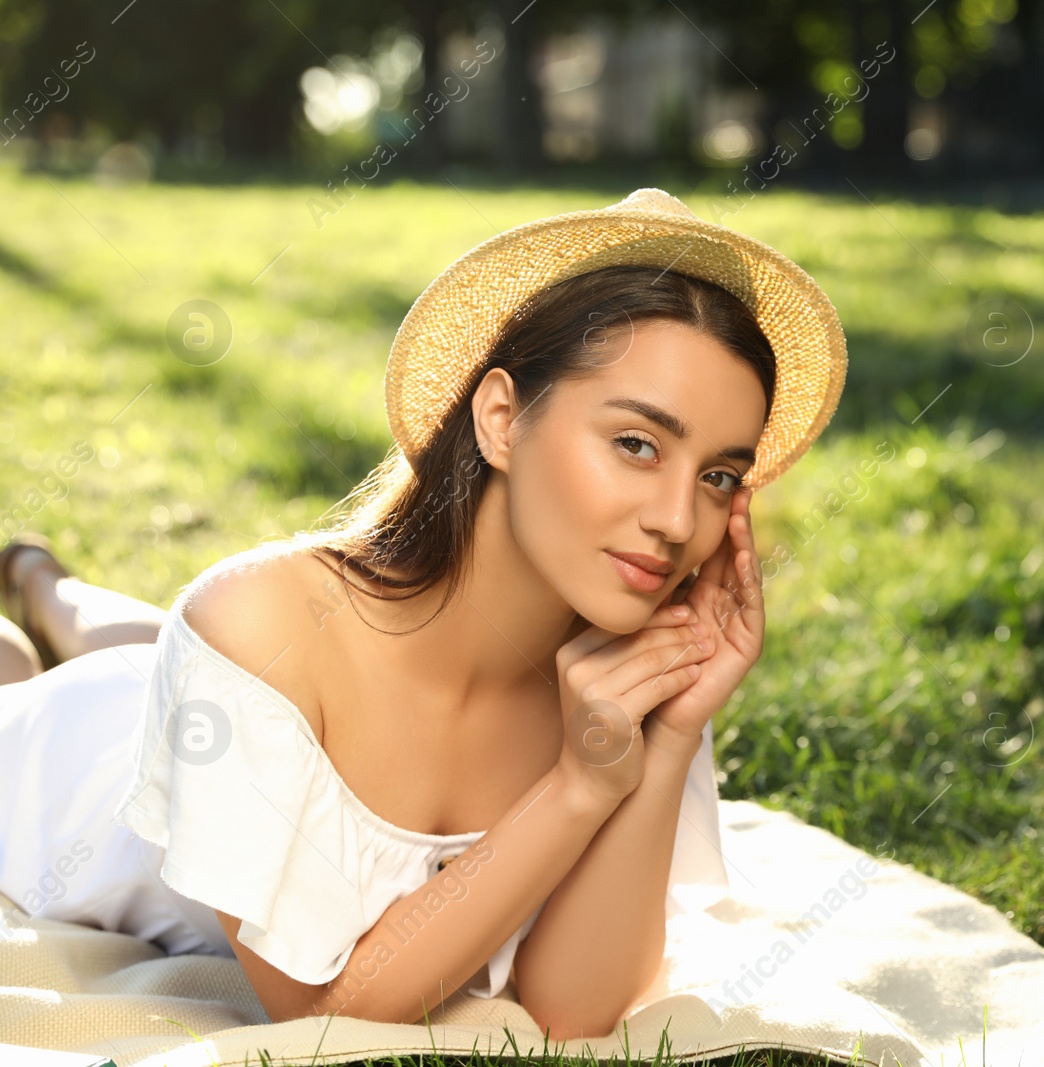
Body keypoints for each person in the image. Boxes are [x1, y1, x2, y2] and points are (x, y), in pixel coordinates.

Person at [0, 188, 848, 1040]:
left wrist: (660, 739)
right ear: (502, 418)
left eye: (718, 476)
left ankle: (38, 576)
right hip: (70, 761)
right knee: (35, 671)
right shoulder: (254, 622)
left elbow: (570, 1013)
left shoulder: (633, 662)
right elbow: (329, 1016)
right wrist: (575, 787)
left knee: (139, 648)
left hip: (196, 685)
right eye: (636, 444)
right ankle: (36, 593)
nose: (675, 521)